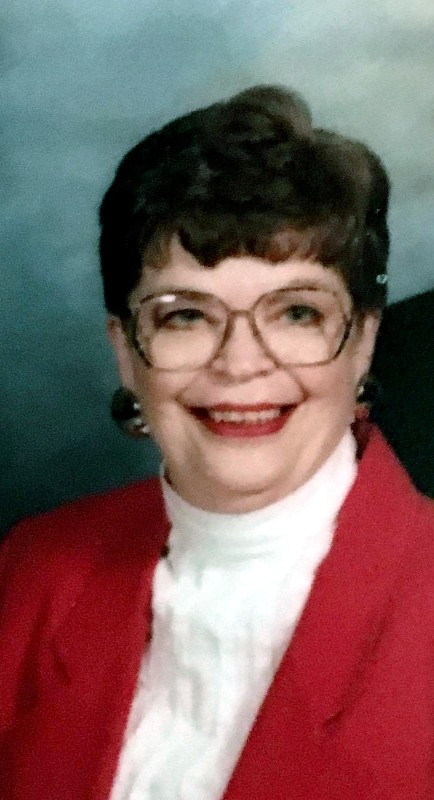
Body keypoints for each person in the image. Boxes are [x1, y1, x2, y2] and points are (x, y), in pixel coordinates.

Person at [0, 85, 433, 800]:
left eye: (296, 312)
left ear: (362, 341)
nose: (239, 364)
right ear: (126, 350)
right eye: (185, 316)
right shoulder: (31, 569)